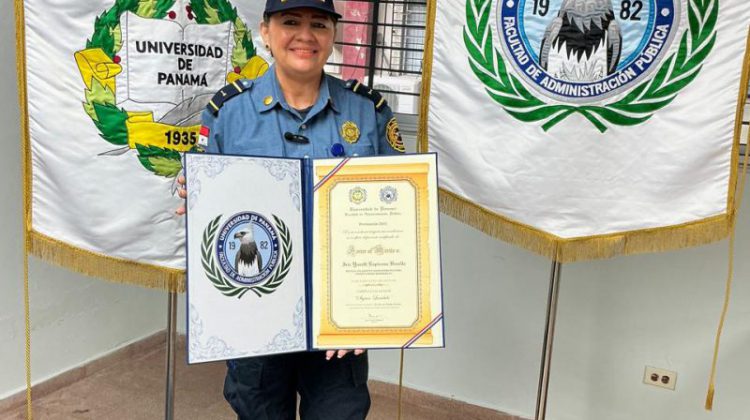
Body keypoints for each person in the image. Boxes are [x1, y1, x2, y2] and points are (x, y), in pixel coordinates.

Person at [177, 0, 405, 418]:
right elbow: (212, 214)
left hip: (338, 316)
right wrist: (195, 191)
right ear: (266, 31)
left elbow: (399, 215)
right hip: (255, 310)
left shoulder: (367, 111)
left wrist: (373, 309)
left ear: (333, 34)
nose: (305, 35)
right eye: (290, 22)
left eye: (319, 23)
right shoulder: (229, 112)